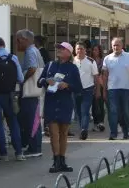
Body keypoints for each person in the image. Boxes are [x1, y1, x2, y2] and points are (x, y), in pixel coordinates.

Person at [38, 42, 82, 173]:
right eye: (58, 48)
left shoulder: (73, 68)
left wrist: (67, 85)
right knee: (53, 133)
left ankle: (62, 160)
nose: (59, 50)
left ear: (69, 53)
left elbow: (78, 88)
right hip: (51, 102)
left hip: (65, 103)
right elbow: (39, 82)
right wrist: (46, 80)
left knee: (63, 133)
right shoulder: (50, 65)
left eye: (62, 49)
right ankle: (55, 160)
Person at [15, 29, 44, 157]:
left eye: (18, 40)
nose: (17, 43)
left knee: (31, 119)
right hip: (35, 91)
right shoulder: (35, 50)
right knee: (33, 119)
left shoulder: (30, 51)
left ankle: (34, 148)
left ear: (24, 40)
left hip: (30, 92)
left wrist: (22, 80)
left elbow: (32, 68)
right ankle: (34, 145)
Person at [102, 37, 129, 140]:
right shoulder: (107, 58)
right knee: (113, 111)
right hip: (112, 89)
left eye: (117, 45)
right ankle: (113, 133)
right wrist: (104, 89)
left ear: (122, 46)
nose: (115, 47)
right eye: (114, 45)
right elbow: (105, 75)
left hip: (126, 88)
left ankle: (125, 131)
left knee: (125, 111)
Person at [73, 42, 99, 140]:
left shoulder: (91, 61)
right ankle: (82, 129)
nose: (79, 51)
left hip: (88, 89)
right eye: (77, 49)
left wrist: (97, 91)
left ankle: (84, 129)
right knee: (78, 112)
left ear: (85, 50)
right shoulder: (72, 61)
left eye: (81, 49)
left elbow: (96, 77)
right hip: (75, 90)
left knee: (85, 110)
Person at [90, 45, 106, 132]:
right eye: (93, 50)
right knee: (94, 105)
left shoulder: (103, 61)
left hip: (101, 84)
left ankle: (101, 122)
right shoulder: (90, 61)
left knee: (100, 104)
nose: (94, 51)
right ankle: (96, 123)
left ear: (99, 51)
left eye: (96, 50)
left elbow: (104, 72)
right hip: (92, 85)